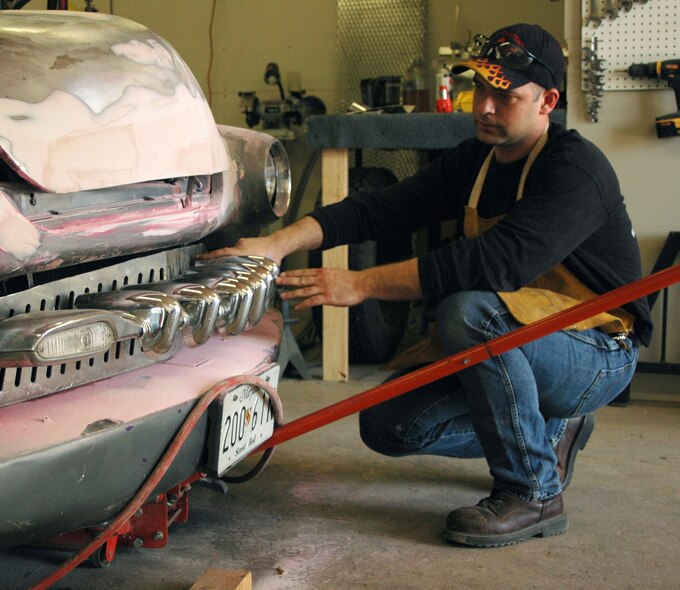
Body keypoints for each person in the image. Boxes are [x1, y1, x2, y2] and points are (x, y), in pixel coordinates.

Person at [204, 23, 652, 547]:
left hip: (595, 352)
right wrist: (278, 243)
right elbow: (380, 209)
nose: (484, 107)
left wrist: (360, 283)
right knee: (388, 424)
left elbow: (494, 265)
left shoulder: (576, 170)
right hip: (525, 336)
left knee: (469, 310)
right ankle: (552, 429)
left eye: (504, 95)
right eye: (480, 90)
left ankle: (532, 492)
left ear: (547, 100)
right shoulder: (475, 161)